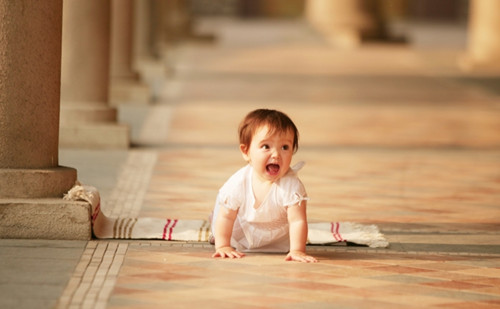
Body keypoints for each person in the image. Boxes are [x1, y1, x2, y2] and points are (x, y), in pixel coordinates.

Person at [210, 109, 317, 263]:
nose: (276, 155)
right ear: (246, 151)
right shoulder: (239, 182)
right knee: (223, 211)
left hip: (277, 240)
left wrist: (297, 250)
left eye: (285, 147)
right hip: (242, 233)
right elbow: (226, 217)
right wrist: (223, 246)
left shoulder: (291, 186)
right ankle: (218, 233)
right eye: (266, 146)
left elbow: (297, 221)